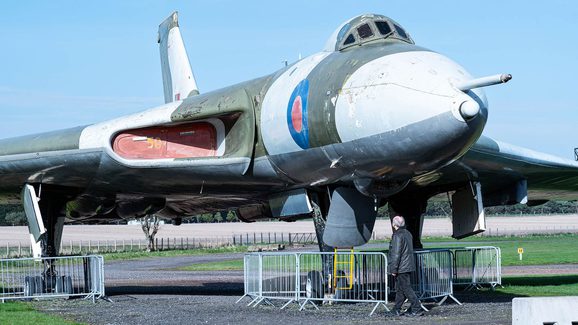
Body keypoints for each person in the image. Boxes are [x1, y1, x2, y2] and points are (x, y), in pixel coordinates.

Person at [388, 215, 423, 316]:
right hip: (407, 265)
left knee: (406, 288)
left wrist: (393, 269)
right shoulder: (408, 233)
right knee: (400, 289)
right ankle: (396, 309)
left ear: (394, 224)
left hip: (401, 267)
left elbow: (396, 253)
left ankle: (417, 307)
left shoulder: (397, 235)